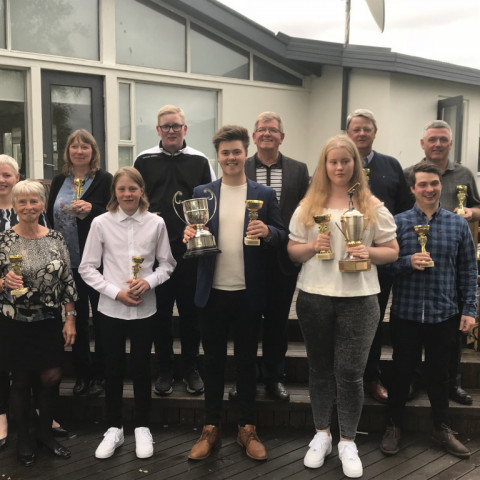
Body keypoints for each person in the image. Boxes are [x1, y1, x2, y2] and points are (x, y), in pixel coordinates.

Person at [287, 135, 398, 478]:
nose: (339, 167)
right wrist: (311, 246)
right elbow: (292, 250)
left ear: (355, 164)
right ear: (324, 165)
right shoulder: (308, 204)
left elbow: (392, 250)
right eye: (333, 161)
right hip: (314, 297)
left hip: (360, 299)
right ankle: (322, 434)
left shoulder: (372, 205)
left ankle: (347, 440)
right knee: (320, 370)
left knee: (350, 374)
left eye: (345, 161)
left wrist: (369, 252)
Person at [186, 125, 286, 462]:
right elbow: (195, 233)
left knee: (246, 363)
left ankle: (247, 428)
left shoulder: (264, 194)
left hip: (248, 292)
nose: (231, 157)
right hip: (211, 292)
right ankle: (210, 428)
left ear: (246, 153)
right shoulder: (202, 192)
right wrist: (189, 234)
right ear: (218, 156)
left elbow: (282, 235)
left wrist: (268, 230)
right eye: (225, 152)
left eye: (236, 151)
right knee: (212, 362)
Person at [380, 162, 476, 459]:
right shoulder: (397, 223)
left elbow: (468, 270)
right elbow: (384, 267)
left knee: (440, 375)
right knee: (401, 372)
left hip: (444, 314)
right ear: (413, 189)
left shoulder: (458, 224)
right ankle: (394, 425)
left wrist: (470, 309)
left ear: (440, 186)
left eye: (434, 183)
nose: (429, 189)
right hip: (406, 313)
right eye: (422, 184)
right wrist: (407, 262)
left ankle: (441, 427)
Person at [79, 167, 176, 460]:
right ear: (115, 192)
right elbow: (87, 268)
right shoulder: (101, 223)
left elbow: (167, 264)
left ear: (141, 190)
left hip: (145, 307)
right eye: (121, 189)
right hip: (111, 308)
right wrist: (116, 292)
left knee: (142, 367)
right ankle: (114, 428)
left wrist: (149, 281)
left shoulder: (156, 223)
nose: (127, 194)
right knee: (112, 368)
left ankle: (142, 426)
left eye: (132, 188)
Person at [134, 105, 215, 396]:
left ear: (185, 128)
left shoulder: (200, 160)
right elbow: (135, 201)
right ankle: (165, 370)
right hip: (155, 252)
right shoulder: (143, 159)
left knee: (191, 314)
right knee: (160, 314)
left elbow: (210, 202)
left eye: (176, 126)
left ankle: (191, 368)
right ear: (158, 130)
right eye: (166, 126)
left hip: (190, 250)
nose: (171, 131)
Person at [0, 180, 77, 467]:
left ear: (43, 205)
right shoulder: (4, 240)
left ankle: (45, 434)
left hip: (49, 320)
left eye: (34, 201)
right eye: (22, 202)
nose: (29, 206)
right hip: (15, 321)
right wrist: (3, 281)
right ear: (15, 206)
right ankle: (24, 439)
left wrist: (70, 319)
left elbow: (67, 281)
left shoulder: (56, 238)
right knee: (20, 381)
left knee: (52, 377)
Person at [404, 120, 480, 405]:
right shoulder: (409, 173)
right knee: (413, 327)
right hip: (417, 261)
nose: (437, 144)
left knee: (453, 326)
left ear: (451, 143)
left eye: (443, 139)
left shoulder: (464, 173)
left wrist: (470, 213)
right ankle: (413, 380)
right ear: (423, 144)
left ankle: (452, 382)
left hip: (452, 259)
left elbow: (478, 206)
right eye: (432, 139)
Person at [235, 111, 309, 403]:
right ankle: (246, 378)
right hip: (246, 257)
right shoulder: (239, 165)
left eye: (273, 130)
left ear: (282, 136)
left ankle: (274, 377)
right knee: (246, 322)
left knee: (277, 322)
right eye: (262, 129)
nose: (267, 133)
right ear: (254, 137)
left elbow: (306, 210)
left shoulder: (299, 170)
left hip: (283, 257)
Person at [346, 108, 412, 404]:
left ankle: (371, 378)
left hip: (380, 261)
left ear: (375, 133)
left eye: (367, 129)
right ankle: (341, 381)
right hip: (341, 261)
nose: (362, 133)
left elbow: (404, 210)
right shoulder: (337, 162)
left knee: (372, 321)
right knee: (342, 323)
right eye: (356, 129)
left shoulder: (391, 165)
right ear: (348, 133)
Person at [46, 129, 113, 398]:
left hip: (97, 262)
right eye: (74, 146)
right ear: (68, 152)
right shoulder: (60, 180)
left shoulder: (104, 179)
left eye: (85, 146)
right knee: (77, 319)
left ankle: (101, 374)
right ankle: (83, 374)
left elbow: (114, 211)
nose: (79, 151)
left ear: (93, 151)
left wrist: (92, 210)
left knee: (102, 319)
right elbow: (49, 216)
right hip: (66, 263)